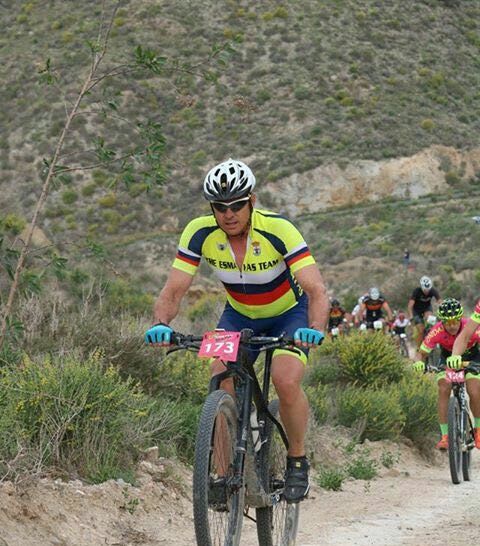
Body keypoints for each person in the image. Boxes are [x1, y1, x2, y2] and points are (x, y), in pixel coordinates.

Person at [144, 158, 329, 502]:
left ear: (252, 201)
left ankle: (297, 460)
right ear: (211, 208)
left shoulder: (279, 229)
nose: (229, 213)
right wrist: (160, 324)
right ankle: (225, 473)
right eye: (220, 207)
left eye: (237, 205)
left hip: (289, 314)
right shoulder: (199, 232)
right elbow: (173, 290)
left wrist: (314, 329)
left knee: (285, 379)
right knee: (219, 376)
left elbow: (316, 289)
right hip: (238, 315)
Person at [412, 298, 480, 450]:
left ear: (460, 319)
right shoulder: (436, 331)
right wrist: (418, 362)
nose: (452, 326)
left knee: (474, 389)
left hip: (472, 359)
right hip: (448, 359)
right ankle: (444, 436)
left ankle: (478, 430)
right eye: (447, 322)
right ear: (441, 322)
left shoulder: (471, 327)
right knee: (443, 387)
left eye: (455, 321)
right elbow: (421, 353)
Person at [408, 276, 441, 348]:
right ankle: (420, 347)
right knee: (421, 330)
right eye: (425, 290)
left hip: (427, 308)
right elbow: (410, 305)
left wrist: (443, 312)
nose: (427, 291)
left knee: (431, 320)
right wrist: (411, 317)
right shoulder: (416, 291)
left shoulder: (433, 290)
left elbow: (440, 302)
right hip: (416, 310)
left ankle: (431, 336)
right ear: (421, 287)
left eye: (428, 290)